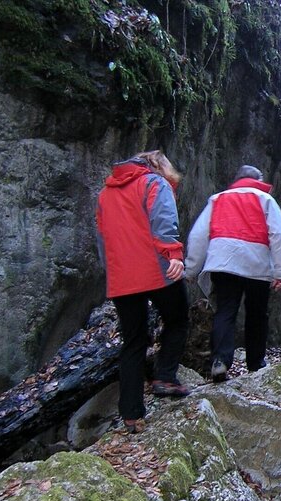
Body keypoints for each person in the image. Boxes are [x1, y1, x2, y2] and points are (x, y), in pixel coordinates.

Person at [96, 150, 191, 434]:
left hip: (122, 277)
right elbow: (163, 221)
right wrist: (173, 254)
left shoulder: (104, 195)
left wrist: (112, 271)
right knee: (178, 319)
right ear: (159, 166)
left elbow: (102, 239)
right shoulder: (153, 183)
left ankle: (131, 414)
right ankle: (165, 378)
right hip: (156, 270)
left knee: (133, 342)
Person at [185, 165, 281, 382]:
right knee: (257, 314)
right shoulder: (266, 200)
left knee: (225, 311)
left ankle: (220, 360)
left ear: (236, 179)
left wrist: (192, 268)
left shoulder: (218, 199)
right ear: (258, 180)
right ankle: (256, 363)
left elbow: (198, 235)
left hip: (224, 262)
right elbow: (278, 235)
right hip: (257, 264)